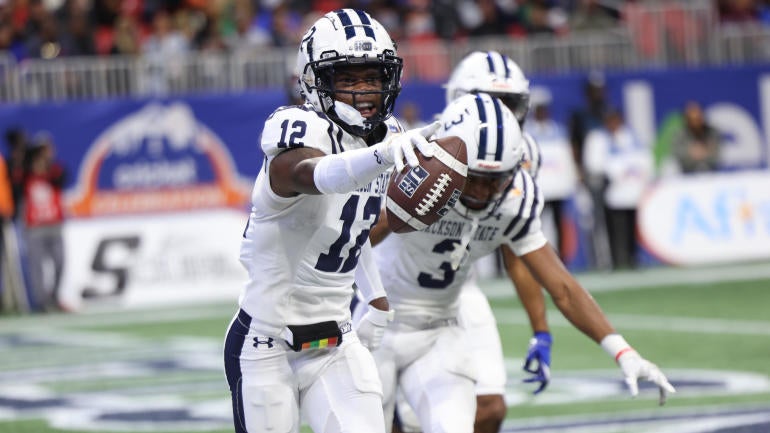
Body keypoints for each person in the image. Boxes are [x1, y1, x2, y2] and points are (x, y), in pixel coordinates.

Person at [358, 93, 674, 433]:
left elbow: (562, 287)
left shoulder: (515, 200)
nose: (482, 191)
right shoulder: (416, 167)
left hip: (441, 330)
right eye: (475, 177)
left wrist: (622, 351)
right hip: (374, 325)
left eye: (495, 180)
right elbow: (351, 246)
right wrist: (395, 210)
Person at [223, 9, 441, 433]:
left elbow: (349, 229)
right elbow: (318, 176)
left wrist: (374, 296)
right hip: (267, 340)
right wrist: (382, 156)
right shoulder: (296, 129)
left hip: (336, 338)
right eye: (347, 78)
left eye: (372, 77)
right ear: (315, 81)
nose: (363, 91)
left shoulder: (386, 136)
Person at [583, 108, 654, 270]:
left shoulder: (631, 137)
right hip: (608, 191)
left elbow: (644, 161)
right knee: (612, 228)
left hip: (632, 190)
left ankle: (632, 258)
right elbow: (593, 165)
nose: (613, 124)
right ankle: (615, 260)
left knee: (631, 227)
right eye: (609, 120)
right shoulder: (598, 138)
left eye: (615, 120)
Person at [22, 131, 67, 312]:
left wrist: (45, 167)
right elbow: (18, 181)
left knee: (60, 262)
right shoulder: (25, 173)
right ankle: (42, 303)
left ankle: (54, 297)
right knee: (37, 266)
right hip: (35, 226)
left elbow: (62, 179)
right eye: (42, 150)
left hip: (54, 223)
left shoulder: (54, 169)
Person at [670, 100, 721, 174]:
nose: (695, 122)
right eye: (692, 119)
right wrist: (690, 153)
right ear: (686, 119)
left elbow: (718, 153)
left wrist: (705, 153)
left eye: (698, 119)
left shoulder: (712, 132)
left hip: (711, 174)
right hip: (688, 175)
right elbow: (675, 153)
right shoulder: (679, 135)